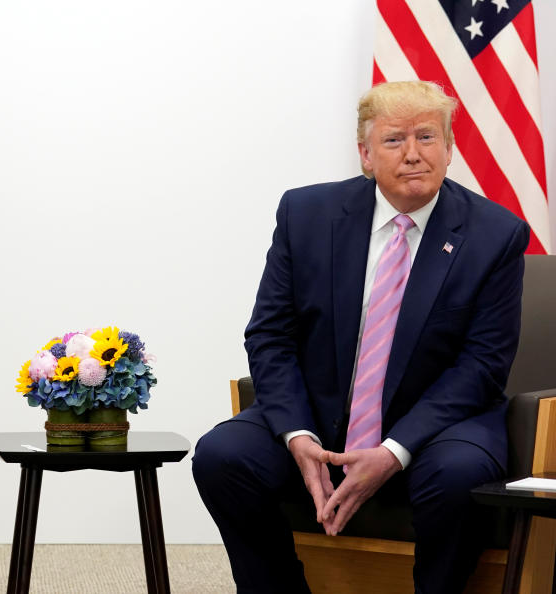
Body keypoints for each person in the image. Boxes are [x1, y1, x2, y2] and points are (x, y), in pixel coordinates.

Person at [192, 81, 529, 594]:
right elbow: (270, 336)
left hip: (437, 423)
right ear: (366, 154)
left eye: (427, 137)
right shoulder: (306, 215)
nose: (414, 154)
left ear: (450, 148)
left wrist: (394, 449)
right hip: (322, 413)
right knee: (221, 455)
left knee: (460, 474)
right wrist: (298, 436)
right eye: (394, 140)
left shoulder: (494, 234)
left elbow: (482, 366)